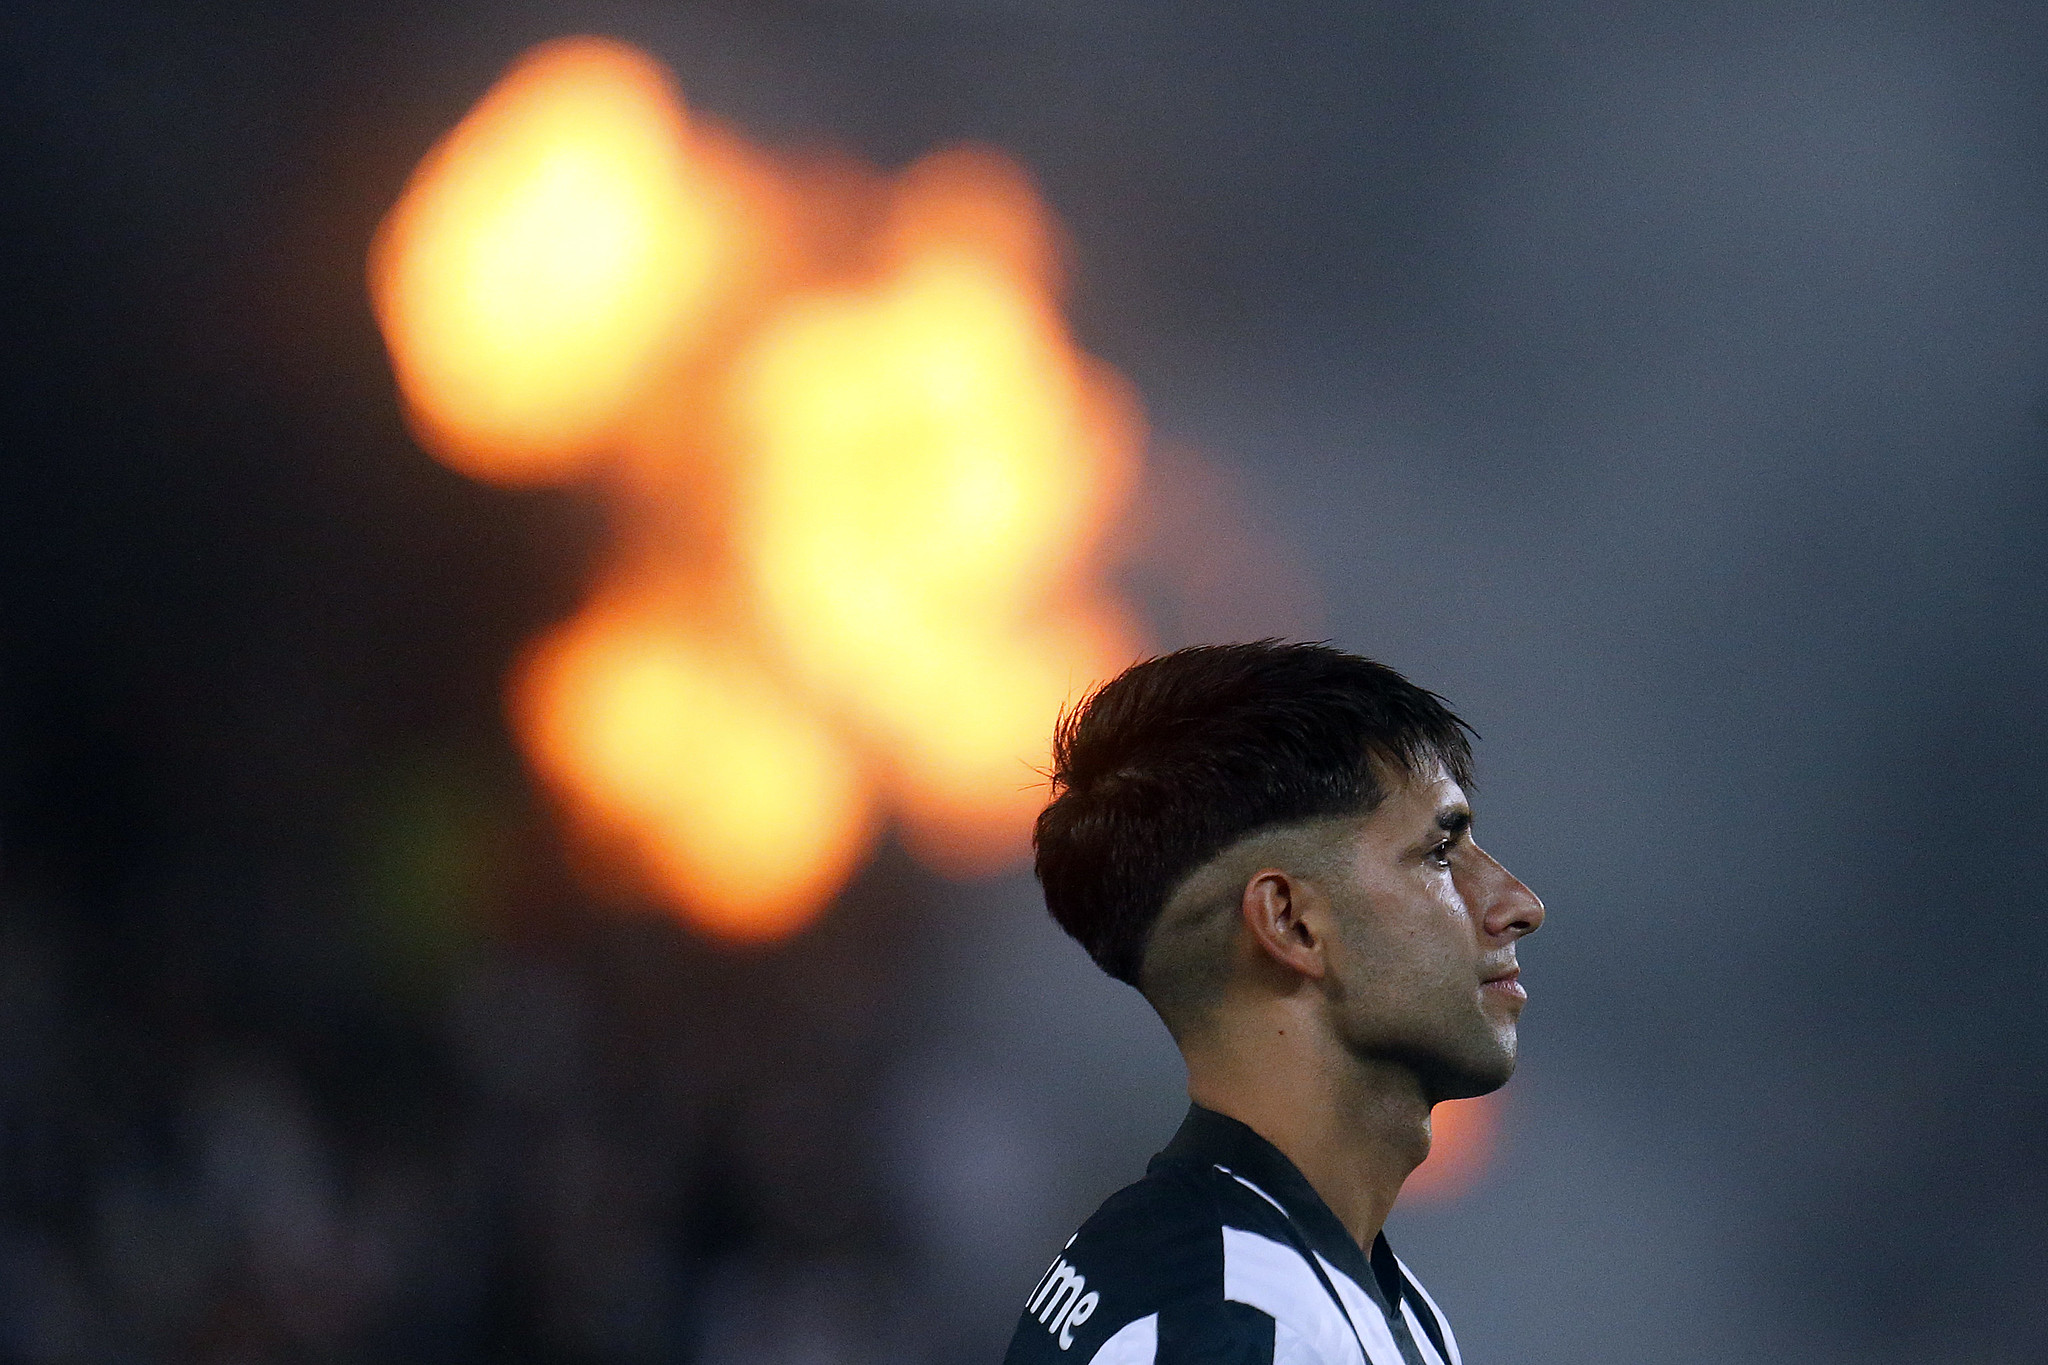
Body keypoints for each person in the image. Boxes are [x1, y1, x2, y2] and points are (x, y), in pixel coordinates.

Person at [1002, 641, 1545, 1365]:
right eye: (1439, 853)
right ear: (1290, 921)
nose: (1519, 904)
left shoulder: (1333, 1289)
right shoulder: (1233, 1329)